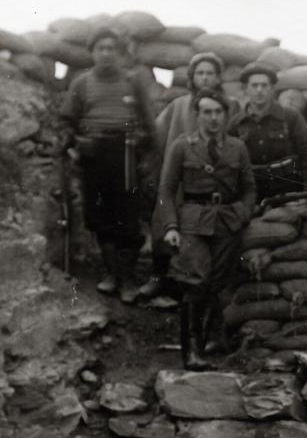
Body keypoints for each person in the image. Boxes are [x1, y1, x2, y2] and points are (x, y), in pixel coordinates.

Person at [155, 87, 255, 369]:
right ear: (197, 115)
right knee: (195, 280)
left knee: (217, 283)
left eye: (218, 112)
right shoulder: (182, 146)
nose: (213, 118)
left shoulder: (237, 147)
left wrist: (244, 213)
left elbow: (249, 188)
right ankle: (191, 352)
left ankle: (209, 344)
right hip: (192, 222)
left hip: (227, 221)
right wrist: (171, 226)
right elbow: (166, 189)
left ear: (226, 116)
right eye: (207, 112)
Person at [59, 27, 159, 297]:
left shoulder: (132, 82)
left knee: (128, 216)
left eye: (111, 48)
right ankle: (112, 274)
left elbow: (150, 124)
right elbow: (68, 119)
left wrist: (145, 152)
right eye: (100, 48)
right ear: (92, 52)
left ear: (119, 53)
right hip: (94, 155)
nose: (105, 53)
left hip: (126, 153)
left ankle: (127, 279)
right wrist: (70, 142)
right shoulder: (81, 83)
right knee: (99, 216)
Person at [146, 50, 231, 306]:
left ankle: (199, 291)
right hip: (181, 178)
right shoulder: (179, 105)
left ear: (218, 78)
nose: (205, 78)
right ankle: (161, 278)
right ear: (192, 78)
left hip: (214, 182)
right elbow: (157, 138)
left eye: (210, 73)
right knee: (165, 223)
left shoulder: (229, 106)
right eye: (200, 73)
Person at [229, 63, 307, 201]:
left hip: (290, 190)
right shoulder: (236, 123)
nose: (259, 90)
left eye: (264, 85)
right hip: (254, 193)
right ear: (245, 89)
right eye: (254, 86)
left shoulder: (290, 117)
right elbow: (230, 163)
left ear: (272, 89)